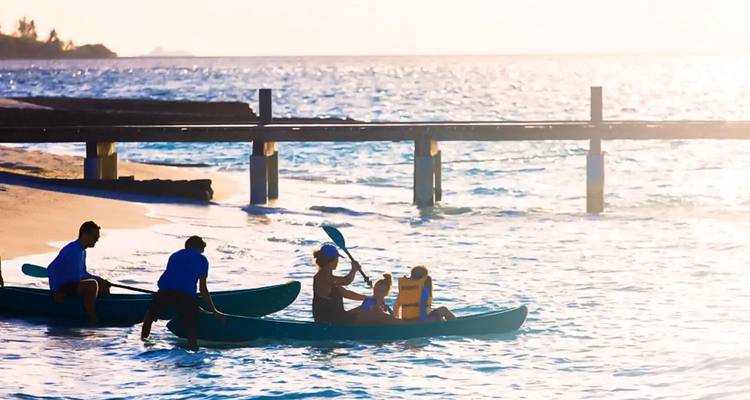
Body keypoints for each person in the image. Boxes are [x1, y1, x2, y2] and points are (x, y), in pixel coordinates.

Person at [141, 235, 225, 350]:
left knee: (149, 317)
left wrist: (196, 306)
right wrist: (214, 310)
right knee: (191, 329)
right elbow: (202, 288)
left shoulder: (175, 255)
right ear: (198, 248)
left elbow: (175, 279)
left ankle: (143, 342)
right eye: (202, 249)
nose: (203, 251)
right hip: (185, 296)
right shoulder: (202, 259)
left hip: (165, 291)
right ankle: (193, 353)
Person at [47, 221, 111, 323]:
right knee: (92, 285)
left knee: (102, 285)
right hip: (63, 288)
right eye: (95, 237)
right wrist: (55, 291)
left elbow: (83, 273)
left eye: (98, 237)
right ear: (85, 234)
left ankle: (107, 311)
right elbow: (51, 269)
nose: (97, 240)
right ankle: (92, 317)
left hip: (74, 285)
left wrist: (100, 279)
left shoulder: (82, 251)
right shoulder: (72, 249)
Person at [312, 243, 367, 324]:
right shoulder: (322, 276)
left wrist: (369, 298)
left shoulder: (330, 279)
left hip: (338, 318)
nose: (338, 261)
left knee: (368, 306)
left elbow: (348, 294)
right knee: (368, 312)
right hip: (329, 321)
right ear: (332, 260)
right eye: (337, 258)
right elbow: (346, 281)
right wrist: (353, 270)